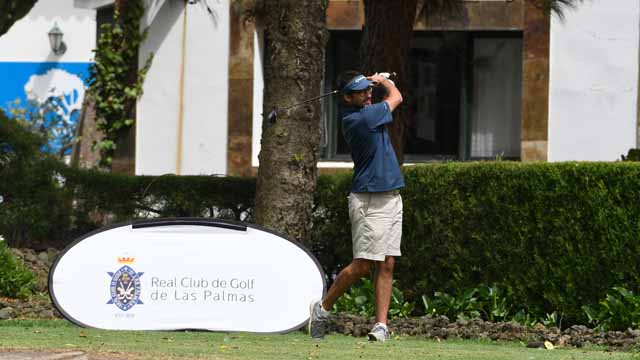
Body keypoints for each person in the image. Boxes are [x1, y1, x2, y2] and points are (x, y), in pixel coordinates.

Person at [309, 70, 404, 342]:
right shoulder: (359, 119)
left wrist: (373, 82)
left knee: (387, 263)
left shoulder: (367, 111)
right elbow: (396, 96)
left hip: (390, 196)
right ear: (348, 98)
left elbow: (386, 97)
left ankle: (381, 327)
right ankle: (322, 309)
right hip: (369, 199)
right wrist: (384, 81)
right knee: (363, 265)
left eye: (368, 89)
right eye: (361, 91)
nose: (367, 93)